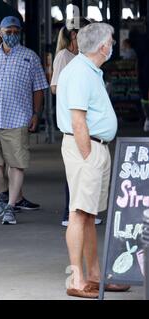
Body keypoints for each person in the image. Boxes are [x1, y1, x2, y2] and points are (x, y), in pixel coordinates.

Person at [57, 23, 130, 298]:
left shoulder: (88, 70)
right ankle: (77, 279)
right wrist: (88, 156)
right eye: (111, 41)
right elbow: (78, 119)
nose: (113, 44)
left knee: (89, 215)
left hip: (94, 148)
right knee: (79, 212)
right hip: (85, 148)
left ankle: (95, 276)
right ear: (103, 47)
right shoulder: (80, 73)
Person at [0, 16, 49, 225]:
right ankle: (4, 192)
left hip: (18, 119)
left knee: (16, 164)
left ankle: (11, 207)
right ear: (0, 32)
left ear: (20, 33)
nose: (12, 35)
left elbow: (39, 88)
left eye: (16, 31)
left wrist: (36, 114)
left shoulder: (29, 57)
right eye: (8, 31)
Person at [50, 18, 102, 228]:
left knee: (87, 167)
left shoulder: (83, 58)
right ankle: (71, 213)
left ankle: (84, 212)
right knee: (79, 167)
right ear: (75, 36)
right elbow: (55, 86)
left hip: (88, 119)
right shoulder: (65, 57)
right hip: (75, 121)